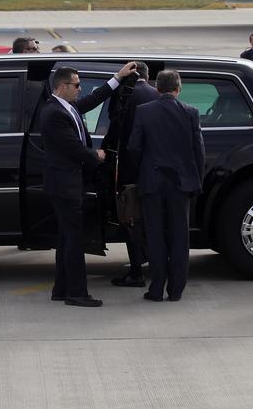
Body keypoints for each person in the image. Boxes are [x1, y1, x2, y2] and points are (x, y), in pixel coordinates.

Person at [41, 61, 138, 307]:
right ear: (62, 86)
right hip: (65, 186)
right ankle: (77, 293)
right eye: (76, 85)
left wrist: (117, 78)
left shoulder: (67, 106)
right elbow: (72, 148)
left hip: (67, 184)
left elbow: (93, 100)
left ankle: (61, 289)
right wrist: (96, 155)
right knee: (74, 240)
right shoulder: (54, 113)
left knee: (66, 239)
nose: (80, 89)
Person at [128, 69, 205, 302]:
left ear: (157, 88)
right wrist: (195, 181)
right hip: (180, 184)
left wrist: (141, 172)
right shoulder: (191, 112)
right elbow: (198, 151)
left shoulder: (144, 112)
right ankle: (176, 289)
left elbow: (134, 147)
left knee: (155, 236)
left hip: (152, 182)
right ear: (178, 89)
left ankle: (156, 288)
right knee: (180, 237)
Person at [111, 62, 159, 289]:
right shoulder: (156, 94)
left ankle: (136, 270)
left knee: (131, 219)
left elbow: (114, 124)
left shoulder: (123, 93)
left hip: (129, 169)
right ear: (147, 77)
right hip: (154, 170)